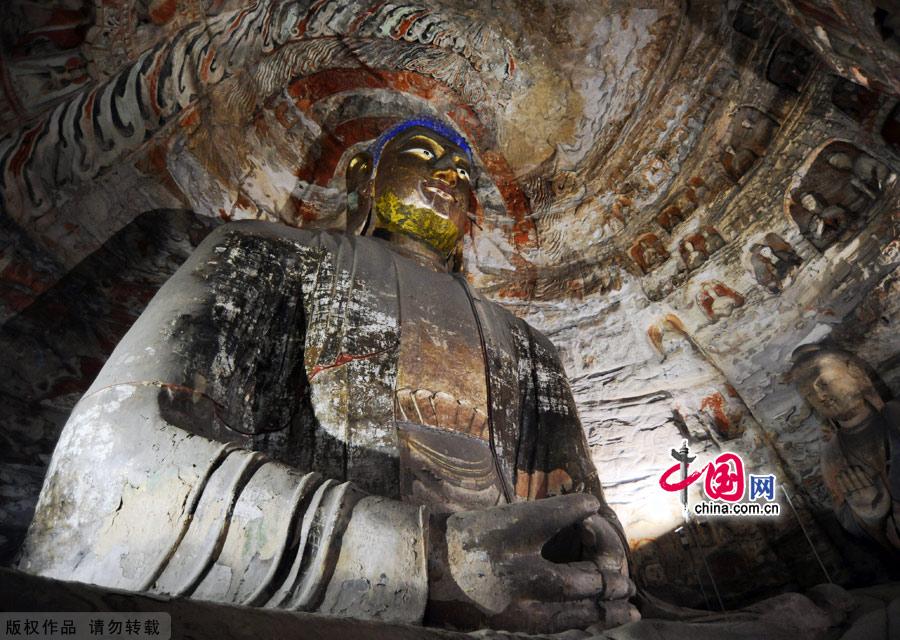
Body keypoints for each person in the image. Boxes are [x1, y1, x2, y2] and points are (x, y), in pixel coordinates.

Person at [18, 116, 638, 633]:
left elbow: (580, 512)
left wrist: (599, 568)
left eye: (465, 173)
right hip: (327, 599)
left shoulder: (530, 347)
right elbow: (110, 457)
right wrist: (420, 558)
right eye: (426, 154)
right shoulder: (263, 250)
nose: (453, 175)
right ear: (364, 177)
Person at [790, 345, 900, 552]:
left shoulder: (896, 414)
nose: (820, 396)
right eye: (808, 393)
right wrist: (869, 512)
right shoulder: (832, 455)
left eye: (823, 383)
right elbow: (848, 522)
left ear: (856, 374)